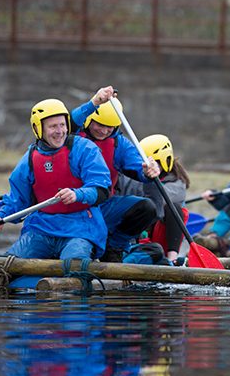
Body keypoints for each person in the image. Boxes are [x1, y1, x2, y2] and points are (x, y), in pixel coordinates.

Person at [0, 99, 112, 261]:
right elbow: (18, 200)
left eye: (62, 125)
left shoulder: (85, 149)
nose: (60, 131)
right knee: (8, 264)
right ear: (39, 129)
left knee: (74, 262)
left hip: (81, 229)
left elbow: (101, 190)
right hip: (42, 229)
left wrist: (77, 194)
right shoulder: (29, 160)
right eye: (53, 126)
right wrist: (1, 216)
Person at [69, 87, 162, 262]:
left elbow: (138, 166)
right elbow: (70, 121)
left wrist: (147, 171)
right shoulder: (70, 136)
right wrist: (95, 102)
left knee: (146, 208)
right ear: (89, 120)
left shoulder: (119, 144)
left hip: (103, 207)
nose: (104, 131)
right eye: (100, 125)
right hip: (72, 208)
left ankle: (114, 247)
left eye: (110, 126)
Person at [131, 133, 192, 262]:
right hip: (139, 233)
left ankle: (172, 258)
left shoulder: (178, 184)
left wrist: (148, 182)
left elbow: (156, 200)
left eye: (154, 162)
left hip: (161, 238)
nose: (149, 166)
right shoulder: (138, 175)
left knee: (174, 208)